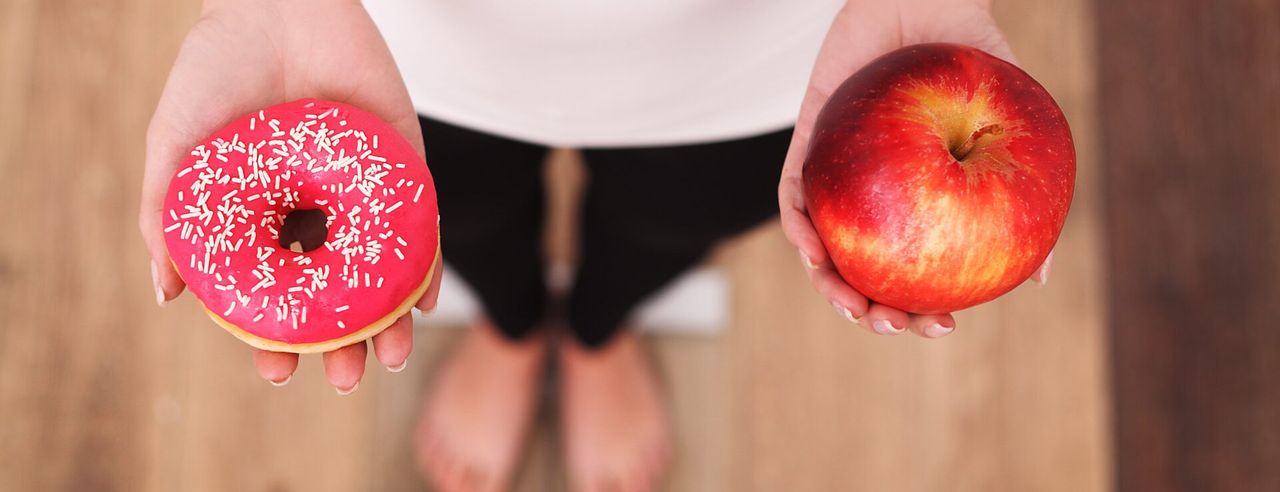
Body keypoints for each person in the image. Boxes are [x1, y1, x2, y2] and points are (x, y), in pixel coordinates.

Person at [139, 0, 1047, 490]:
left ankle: (598, 332)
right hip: (389, 36)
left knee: (672, 219)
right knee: (459, 215)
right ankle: (511, 326)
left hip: (764, 53)